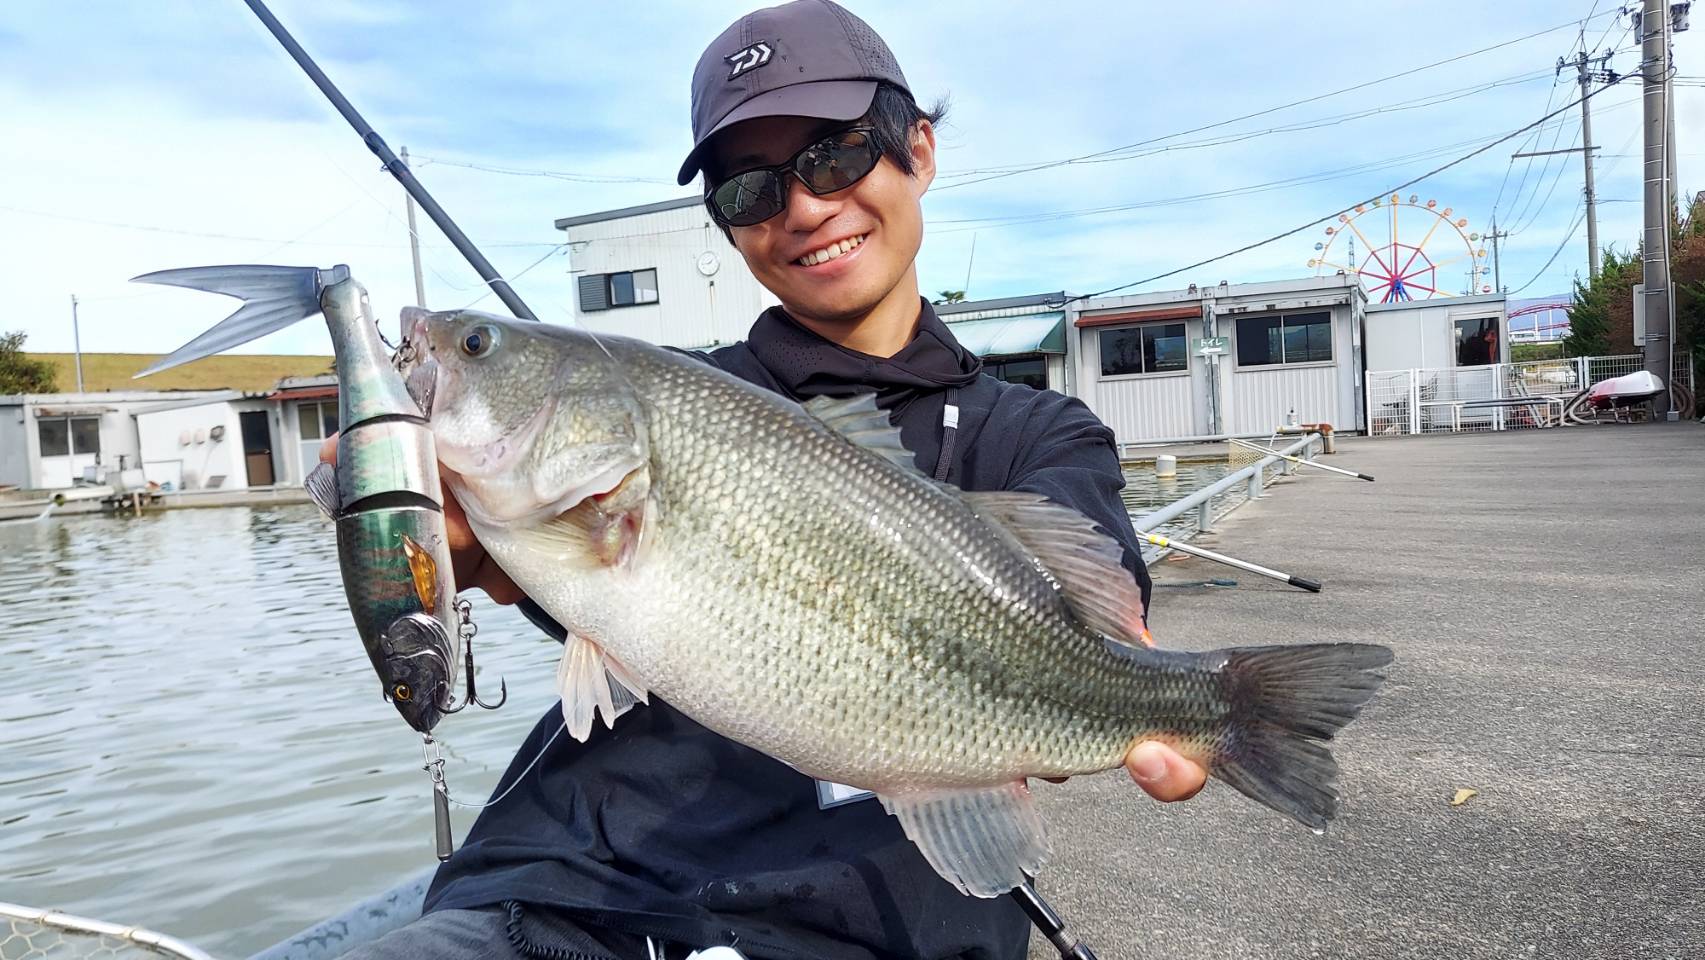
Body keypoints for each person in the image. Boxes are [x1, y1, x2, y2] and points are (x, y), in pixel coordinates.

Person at [341, 3, 1205, 957]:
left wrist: (1145, 692)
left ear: (917, 150)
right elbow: (601, 605)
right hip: (560, 895)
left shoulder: (1039, 433)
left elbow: (1099, 612)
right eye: (749, 189)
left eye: (835, 156)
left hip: (873, 930)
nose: (801, 209)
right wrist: (424, 529)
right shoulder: (679, 398)